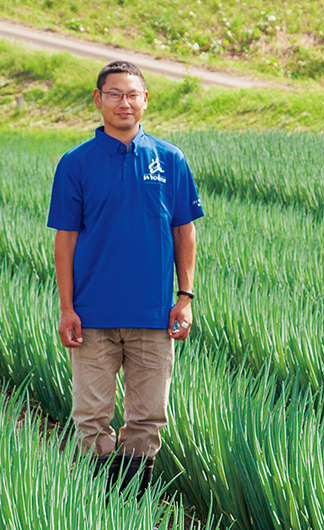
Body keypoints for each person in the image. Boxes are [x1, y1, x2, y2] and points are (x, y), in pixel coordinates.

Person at [47, 60, 204, 494]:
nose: (124, 102)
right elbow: (66, 240)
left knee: (148, 418)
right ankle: (97, 505)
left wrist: (185, 296)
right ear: (98, 100)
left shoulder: (169, 159)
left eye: (132, 94)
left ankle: (131, 504)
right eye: (114, 94)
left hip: (153, 316)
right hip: (92, 315)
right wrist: (67, 308)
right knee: (91, 419)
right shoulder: (75, 163)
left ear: (146, 100)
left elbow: (184, 230)